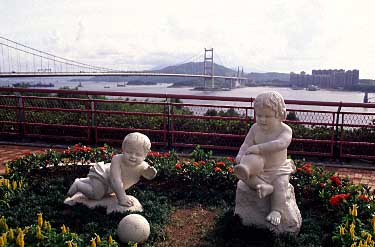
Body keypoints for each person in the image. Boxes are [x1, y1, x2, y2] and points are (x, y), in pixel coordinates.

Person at [234, 91, 295, 226]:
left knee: (281, 185)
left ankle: (276, 210)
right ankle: (264, 187)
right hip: (259, 169)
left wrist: (259, 148)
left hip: (278, 169)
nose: (262, 119)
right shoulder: (255, 128)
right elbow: (246, 144)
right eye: (259, 115)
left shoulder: (285, 130)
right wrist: (240, 156)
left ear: (280, 115)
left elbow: (281, 143)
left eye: (267, 116)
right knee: (245, 176)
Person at [67, 132, 157, 207]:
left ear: (145, 155)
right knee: (97, 194)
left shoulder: (143, 165)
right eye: (129, 152)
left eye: (138, 154)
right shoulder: (117, 159)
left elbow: (148, 175)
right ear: (123, 149)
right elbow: (115, 180)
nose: (133, 156)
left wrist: (151, 173)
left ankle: (84, 181)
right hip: (103, 178)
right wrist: (122, 198)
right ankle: (78, 185)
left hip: (110, 188)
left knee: (103, 191)